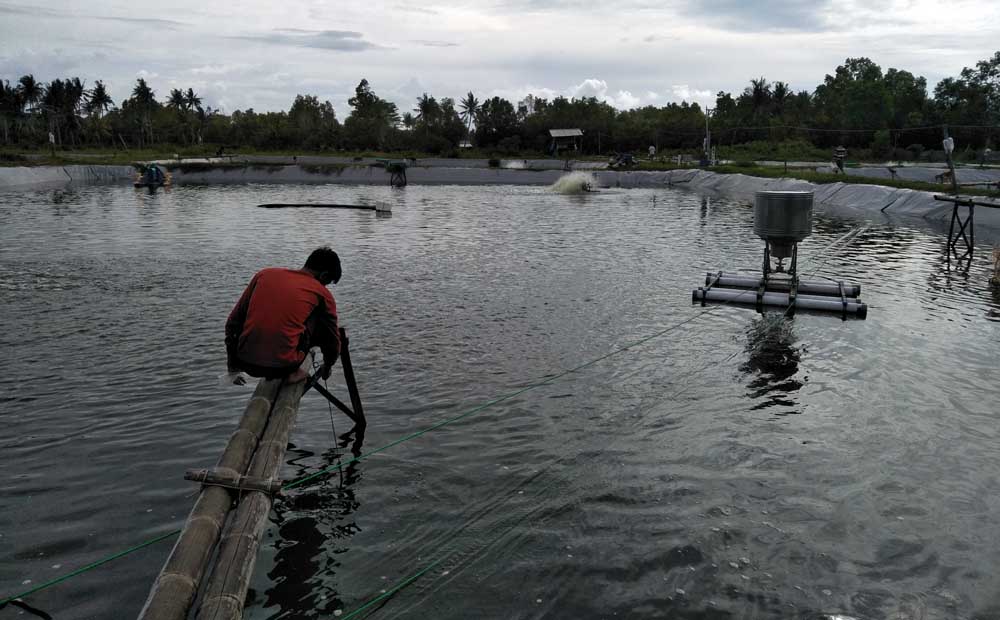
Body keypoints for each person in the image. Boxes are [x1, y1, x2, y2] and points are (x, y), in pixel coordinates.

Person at [225, 247, 342, 384]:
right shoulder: (322, 293)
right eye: (326, 283)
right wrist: (328, 366)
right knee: (319, 318)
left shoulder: (264, 274)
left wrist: (232, 368)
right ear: (324, 276)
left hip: (245, 363)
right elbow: (332, 340)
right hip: (284, 367)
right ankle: (300, 372)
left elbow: (233, 323)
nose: (325, 287)